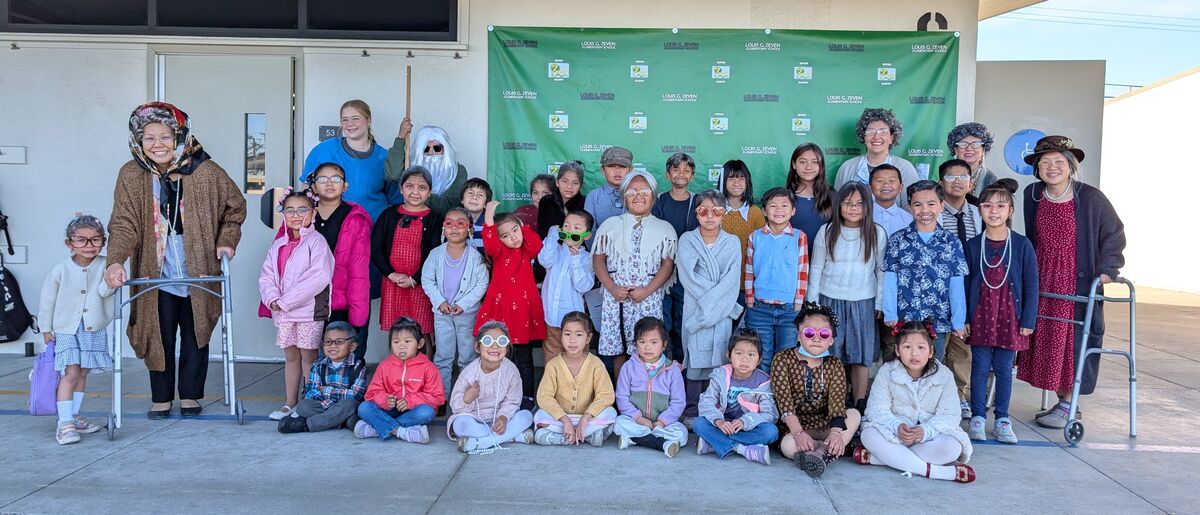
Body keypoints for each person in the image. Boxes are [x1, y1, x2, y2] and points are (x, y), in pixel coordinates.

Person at [106, 101, 246, 420]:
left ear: (180, 136)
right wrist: (116, 260)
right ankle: (161, 396)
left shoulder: (206, 170)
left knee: (196, 333)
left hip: (197, 264)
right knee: (159, 333)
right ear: (138, 141)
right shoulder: (131, 174)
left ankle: (191, 395)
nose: (157, 144)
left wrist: (226, 242)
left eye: (165, 136)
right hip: (155, 268)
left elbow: (235, 209)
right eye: (149, 137)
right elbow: (124, 222)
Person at [1019, 136, 1125, 429]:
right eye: (1045, 162)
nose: (1052, 168)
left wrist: (1108, 268)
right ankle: (1062, 400)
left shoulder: (1090, 197)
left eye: (1059, 162)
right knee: (1047, 339)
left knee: (1071, 341)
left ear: (1070, 166)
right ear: (1037, 168)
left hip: (1075, 278)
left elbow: (1113, 234)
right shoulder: (1032, 194)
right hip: (1042, 277)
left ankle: (1069, 403)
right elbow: (1032, 237)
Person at [965, 181, 1039, 444]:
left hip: (1011, 317)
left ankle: (1002, 419)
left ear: (1010, 211)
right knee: (980, 368)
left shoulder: (1021, 245)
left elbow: (1031, 284)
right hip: (981, 315)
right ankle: (977, 417)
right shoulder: (974, 246)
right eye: (987, 205)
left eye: (1000, 205)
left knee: (1005, 369)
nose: (993, 211)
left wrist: (1028, 318)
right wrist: (964, 318)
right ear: (980, 210)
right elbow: (965, 283)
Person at [856, 321, 975, 484]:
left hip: (930, 436)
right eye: (907, 347)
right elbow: (876, 409)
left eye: (921, 347)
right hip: (894, 433)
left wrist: (925, 430)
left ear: (931, 351)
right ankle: (934, 471)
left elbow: (950, 415)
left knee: (953, 447)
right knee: (869, 435)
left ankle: (882, 458)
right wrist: (895, 425)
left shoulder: (944, 375)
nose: (914, 354)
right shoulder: (887, 371)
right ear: (897, 350)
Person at [807, 182, 886, 413]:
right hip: (829, 300)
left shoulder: (876, 233)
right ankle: (834, 403)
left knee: (859, 355)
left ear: (868, 207)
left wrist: (879, 302)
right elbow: (816, 268)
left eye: (859, 204)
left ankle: (859, 404)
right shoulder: (828, 231)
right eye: (848, 203)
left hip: (863, 301)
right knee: (831, 355)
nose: (853, 208)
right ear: (838, 205)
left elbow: (881, 270)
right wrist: (813, 305)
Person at [259, 188, 335, 420]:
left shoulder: (317, 242)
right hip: (283, 312)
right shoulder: (278, 245)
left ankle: (310, 402)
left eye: (302, 209)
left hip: (308, 312)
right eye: (289, 210)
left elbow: (319, 277)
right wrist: (272, 298)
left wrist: (285, 301)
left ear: (313, 213)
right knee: (291, 357)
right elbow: (267, 274)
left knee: (308, 357)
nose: (295, 215)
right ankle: (290, 402)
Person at [40, 215, 116, 444]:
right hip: (65, 328)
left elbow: (104, 292)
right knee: (70, 373)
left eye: (95, 240)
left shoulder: (105, 264)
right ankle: (64, 424)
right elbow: (47, 300)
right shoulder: (61, 269)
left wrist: (112, 280)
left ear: (103, 241)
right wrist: (46, 327)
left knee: (83, 373)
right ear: (69, 243)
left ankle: (73, 416)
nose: (89, 245)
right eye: (82, 240)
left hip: (93, 329)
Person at [593, 171, 677, 374]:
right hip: (617, 298)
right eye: (632, 191)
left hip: (647, 298)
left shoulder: (664, 228)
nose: (639, 195)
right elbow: (598, 259)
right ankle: (622, 397)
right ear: (624, 196)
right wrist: (612, 287)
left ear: (653, 196)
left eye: (645, 191)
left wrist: (647, 290)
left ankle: (645, 393)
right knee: (619, 348)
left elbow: (668, 264)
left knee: (648, 347)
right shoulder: (610, 226)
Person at [676, 189, 744, 420]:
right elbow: (688, 278)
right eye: (703, 210)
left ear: (723, 214)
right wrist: (717, 301)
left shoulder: (732, 242)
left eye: (716, 211)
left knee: (719, 359)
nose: (710, 216)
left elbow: (731, 281)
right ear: (696, 213)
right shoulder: (687, 240)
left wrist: (720, 303)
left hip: (721, 312)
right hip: (697, 308)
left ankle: (716, 410)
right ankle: (692, 410)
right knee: (695, 359)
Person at [882, 180, 968, 360]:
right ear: (910, 207)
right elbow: (890, 279)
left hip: (938, 320)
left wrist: (958, 320)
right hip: (905, 318)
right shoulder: (898, 240)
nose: (924, 210)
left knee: (934, 366)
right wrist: (890, 313)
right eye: (917, 204)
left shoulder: (951, 242)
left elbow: (956, 284)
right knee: (902, 366)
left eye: (931, 204)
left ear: (941, 206)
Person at [772, 303, 860, 478]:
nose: (816, 338)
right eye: (810, 333)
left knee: (854, 415)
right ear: (799, 335)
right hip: (794, 425)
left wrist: (835, 433)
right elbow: (785, 403)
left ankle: (820, 452)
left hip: (824, 424)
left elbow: (837, 403)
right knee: (788, 446)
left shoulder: (834, 364)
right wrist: (798, 434)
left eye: (824, 334)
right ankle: (829, 452)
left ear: (831, 340)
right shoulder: (782, 359)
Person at [474, 200, 545, 408]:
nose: (512, 238)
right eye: (505, 235)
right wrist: (488, 218)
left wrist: (522, 227)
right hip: (502, 311)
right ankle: (502, 396)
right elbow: (490, 244)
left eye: (515, 230)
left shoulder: (526, 249)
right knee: (501, 357)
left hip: (523, 312)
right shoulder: (499, 252)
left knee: (524, 359)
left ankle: (527, 396)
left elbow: (536, 245)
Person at [307, 163, 372, 361]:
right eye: (322, 179)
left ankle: (349, 390)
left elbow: (359, 269)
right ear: (313, 186)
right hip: (309, 296)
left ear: (345, 186)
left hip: (343, 298)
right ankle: (314, 388)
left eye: (335, 179)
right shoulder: (304, 215)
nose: (329, 183)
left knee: (346, 352)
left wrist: (358, 308)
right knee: (312, 352)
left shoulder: (355, 218)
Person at [422, 208, 490, 398]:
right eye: (449, 223)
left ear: (469, 229)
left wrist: (464, 304)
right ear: (444, 227)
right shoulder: (436, 254)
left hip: (466, 314)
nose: (454, 228)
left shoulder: (475, 257)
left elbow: (482, 283)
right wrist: (440, 301)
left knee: (467, 355)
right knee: (443, 356)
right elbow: (427, 279)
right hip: (442, 314)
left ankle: (466, 395)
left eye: (460, 224)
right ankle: (441, 395)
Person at [372, 166, 444, 339]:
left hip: (421, 283)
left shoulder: (435, 218)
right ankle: (396, 366)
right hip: (392, 283)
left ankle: (423, 366)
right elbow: (376, 248)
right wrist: (392, 275)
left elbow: (435, 253)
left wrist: (416, 279)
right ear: (401, 189)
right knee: (396, 330)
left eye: (422, 187)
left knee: (421, 330)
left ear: (430, 192)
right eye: (410, 186)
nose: (415, 192)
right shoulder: (388, 215)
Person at [301, 99, 402, 222]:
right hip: (331, 229)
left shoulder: (384, 157)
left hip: (372, 230)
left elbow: (394, 200)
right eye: (345, 119)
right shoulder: (324, 150)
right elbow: (306, 190)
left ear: (368, 120)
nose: (349, 124)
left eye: (355, 118)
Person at [937, 159, 984, 418]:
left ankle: (958, 395)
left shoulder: (979, 213)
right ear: (941, 182)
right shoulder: (933, 210)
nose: (957, 181)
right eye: (950, 177)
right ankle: (935, 397)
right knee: (937, 344)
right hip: (940, 287)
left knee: (962, 345)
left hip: (970, 286)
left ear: (971, 182)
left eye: (962, 177)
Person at [743, 187, 808, 372]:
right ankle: (763, 399)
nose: (778, 210)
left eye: (784, 205)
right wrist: (749, 301)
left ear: (793, 210)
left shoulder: (799, 237)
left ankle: (781, 400)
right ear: (764, 210)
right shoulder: (755, 236)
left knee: (785, 358)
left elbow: (803, 272)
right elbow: (749, 270)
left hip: (789, 310)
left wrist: (798, 304)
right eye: (773, 206)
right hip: (759, 309)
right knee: (761, 357)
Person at [447, 321, 535, 453]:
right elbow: (455, 406)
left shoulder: (511, 371)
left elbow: (513, 401)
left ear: (507, 347)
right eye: (488, 341)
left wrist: (504, 417)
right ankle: (512, 436)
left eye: (501, 341)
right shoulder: (469, 373)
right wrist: (467, 399)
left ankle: (481, 443)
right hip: (474, 418)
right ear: (477, 347)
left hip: (500, 419)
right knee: (459, 424)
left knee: (526, 416)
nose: (495, 346)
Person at [533, 312, 618, 446]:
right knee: (540, 415)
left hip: (588, 419)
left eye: (579, 335)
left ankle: (565, 436)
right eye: (567, 334)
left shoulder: (596, 364)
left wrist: (586, 417)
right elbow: (544, 397)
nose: (572, 340)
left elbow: (606, 395)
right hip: (560, 419)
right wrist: (565, 420)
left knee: (611, 413)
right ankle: (586, 436)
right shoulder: (553, 365)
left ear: (588, 338)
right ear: (561, 336)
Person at [694, 330, 778, 465]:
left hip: (748, 426)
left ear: (759, 359)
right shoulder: (720, 375)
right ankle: (742, 449)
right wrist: (718, 421)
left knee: (771, 432)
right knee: (698, 424)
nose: (744, 359)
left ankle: (714, 443)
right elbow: (706, 401)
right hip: (722, 424)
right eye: (738, 353)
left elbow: (769, 414)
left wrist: (746, 421)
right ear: (729, 355)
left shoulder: (763, 382)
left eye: (751, 355)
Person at [355, 317, 443, 442]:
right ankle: (401, 432)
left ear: (420, 343)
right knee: (364, 408)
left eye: (407, 342)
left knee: (426, 412)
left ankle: (378, 428)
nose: (401, 346)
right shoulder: (385, 365)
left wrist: (410, 401)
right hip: (389, 410)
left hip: (413, 411)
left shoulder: (428, 368)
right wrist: (385, 400)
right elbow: (371, 393)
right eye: (396, 342)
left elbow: (437, 397)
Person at [613, 317, 689, 458]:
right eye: (642, 342)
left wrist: (662, 421)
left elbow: (678, 402)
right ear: (636, 344)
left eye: (654, 342)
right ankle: (661, 444)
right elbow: (622, 397)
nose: (647, 347)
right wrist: (638, 418)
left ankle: (634, 439)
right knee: (618, 423)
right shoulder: (628, 367)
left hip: (664, 424)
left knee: (681, 432)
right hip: (637, 421)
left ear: (664, 344)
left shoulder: (672, 370)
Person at [651, 153, 699, 370]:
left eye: (686, 170)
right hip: (661, 273)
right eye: (676, 170)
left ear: (692, 175)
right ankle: (663, 368)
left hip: (688, 274)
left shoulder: (697, 202)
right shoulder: (659, 201)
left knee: (683, 323)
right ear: (668, 174)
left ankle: (682, 369)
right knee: (663, 322)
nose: (681, 174)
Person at [276, 322, 368, 434]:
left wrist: (326, 390)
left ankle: (307, 425)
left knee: (350, 405)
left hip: (345, 405)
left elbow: (356, 394)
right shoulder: (318, 364)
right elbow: (312, 391)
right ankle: (340, 420)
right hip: (324, 404)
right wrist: (331, 405)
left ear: (352, 346)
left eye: (339, 342)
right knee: (303, 406)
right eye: (328, 342)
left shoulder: (358, 366)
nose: (333, 346)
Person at [583, 147, 631, 334]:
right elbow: (590, 232)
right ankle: (607, 364)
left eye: (622, 166)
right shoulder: (594, 197)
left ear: (630, 169)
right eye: (612, 166)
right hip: (601, 270)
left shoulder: (637, 196)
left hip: (632, 272)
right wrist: (604, 263)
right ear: (603, 170)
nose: (617, 171)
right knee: (606, 325)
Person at [538, 210, 596, 364]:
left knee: (577, 359)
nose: (570, 230)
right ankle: (553, 387)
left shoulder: (586, 258)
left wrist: (575, 260)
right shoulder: (555, 251)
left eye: (577, 228)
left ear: (587, 235)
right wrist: (552, 235)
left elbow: (584, 286)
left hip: (574, 322)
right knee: (551, 358)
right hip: (551, 318)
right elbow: (544, 260)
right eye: (566, 226)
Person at [835, 108, 922, 207]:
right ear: (863, 136)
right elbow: (838, 205)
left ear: (891, 138)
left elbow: (910, 206)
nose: (876, 137)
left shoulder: (905, 168)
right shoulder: (847, 167)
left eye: (883, 132)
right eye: (871, 132)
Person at [386, 122, 468, 215]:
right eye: (426, 149)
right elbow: (393, 175)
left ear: (446, 149)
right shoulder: (410, 167)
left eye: (437, 148)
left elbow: (449, 205)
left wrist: (418, 194)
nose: (431, 153)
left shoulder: (458, 171)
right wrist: (401, 138)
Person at [718, 160, 765, 300]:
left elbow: (761, 251)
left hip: (747, 285)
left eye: (741, 178)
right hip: (719, 284)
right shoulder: (714, 212)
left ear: (747, 182)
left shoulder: (755, 213)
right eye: (731, 178)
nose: (736, 183)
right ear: (722, 182)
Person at [786, 143, 836, 245]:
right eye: (803, 162)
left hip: (825, 257)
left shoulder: (832, 195)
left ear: (821, 165)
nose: (809, 167)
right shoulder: (785, 197)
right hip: (794, 257)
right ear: (794, 164)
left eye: (815, 162)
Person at [946, 122, 999, 199]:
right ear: (955, 149)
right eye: (963, 144)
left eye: (976, 144)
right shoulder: (945, 177)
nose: (969, 149)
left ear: (983, 149)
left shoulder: (992, 180)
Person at [537, 161, 586, 240]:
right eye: (565, 181)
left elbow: (587, 235)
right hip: (550, 249)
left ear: (581, 185)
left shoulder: (586, 203)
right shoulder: (546, 201)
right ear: (557, 182)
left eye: (575, 183)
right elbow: (542, 233)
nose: (569, 186)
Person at [870, 164, 913, 238]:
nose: (886, 185)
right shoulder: (861, 216)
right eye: (879, 181)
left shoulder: (909, 220)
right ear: (870, 188)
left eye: (892, 181)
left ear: (900, 188)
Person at [460, 177, 492, 251]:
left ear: (486, 204)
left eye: (480, 195)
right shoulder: (453, 221)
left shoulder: (491, 224)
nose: (474, 197)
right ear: (462, 200)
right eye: (470, 193)